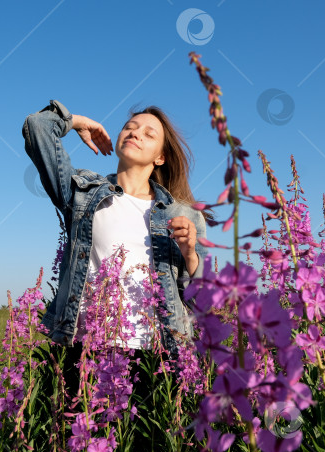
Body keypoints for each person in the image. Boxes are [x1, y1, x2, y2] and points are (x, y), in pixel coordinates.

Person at [21, 98, 208, 401]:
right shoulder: (82, 193)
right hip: (86, 348)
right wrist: (79, 122)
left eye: (149, 134)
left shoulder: (185, 216)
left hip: (156, 354)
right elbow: (37, 126)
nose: (135, 133)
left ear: (160, 157)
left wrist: (190, 255)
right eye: (129, 128)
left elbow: (201, 300)